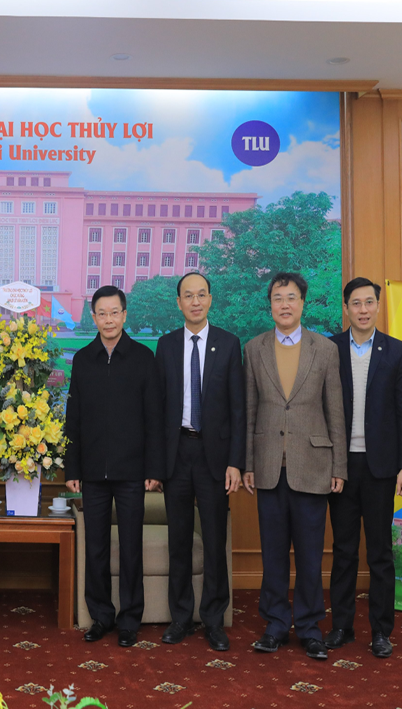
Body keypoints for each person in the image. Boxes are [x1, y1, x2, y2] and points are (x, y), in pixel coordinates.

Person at [243, 272, 347, 661]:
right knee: (273, 554)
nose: (284, 304)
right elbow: (250, 410)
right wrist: (248, 463)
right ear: (269, 304)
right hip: (269, 465)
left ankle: (308, 627)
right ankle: (274, 625)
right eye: (277, 298)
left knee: (309, 555)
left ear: (302, 303)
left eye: (291, 297)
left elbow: (335, 410)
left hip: (313, 465)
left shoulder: (325, 349)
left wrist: (339, 466)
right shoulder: (254, 348)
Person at [65, 285, 163, 648]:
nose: (109, 320)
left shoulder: (143, 358)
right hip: (92, 472)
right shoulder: (82, 359)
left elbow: (154, 417)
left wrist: (154, 468)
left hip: (132, 471)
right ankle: (101, 616)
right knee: (96, 548)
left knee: (131, 547)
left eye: (114, 312)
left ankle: (129, 620)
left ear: (124, 315)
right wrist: (72, 469)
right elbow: (73, 417)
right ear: (94, 318)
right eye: (102, 314)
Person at [155, 272, 245, 650]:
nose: (195, 301)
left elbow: (239, 409)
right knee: (178, 540)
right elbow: (157, 408)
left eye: (201, 295)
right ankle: (180, 617)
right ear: (178, 303)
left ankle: (213, 619)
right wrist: (156, 466)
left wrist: (236, 462)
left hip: (215, 457)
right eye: (188, 296)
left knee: (213, 541)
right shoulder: (166, 345)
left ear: (210, 299)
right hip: (177, 453)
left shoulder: (229, 344)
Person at [326, 277, 402, 659]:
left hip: (381, 468)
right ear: (346, 308)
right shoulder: (330, 349)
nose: (363, 310)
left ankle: (381, 631)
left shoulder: (396, 351)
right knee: (344, 550)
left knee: (380, 553)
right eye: (356, 303)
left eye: (369, 302)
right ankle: (342, 627)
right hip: (342, 467)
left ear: (378, 306)